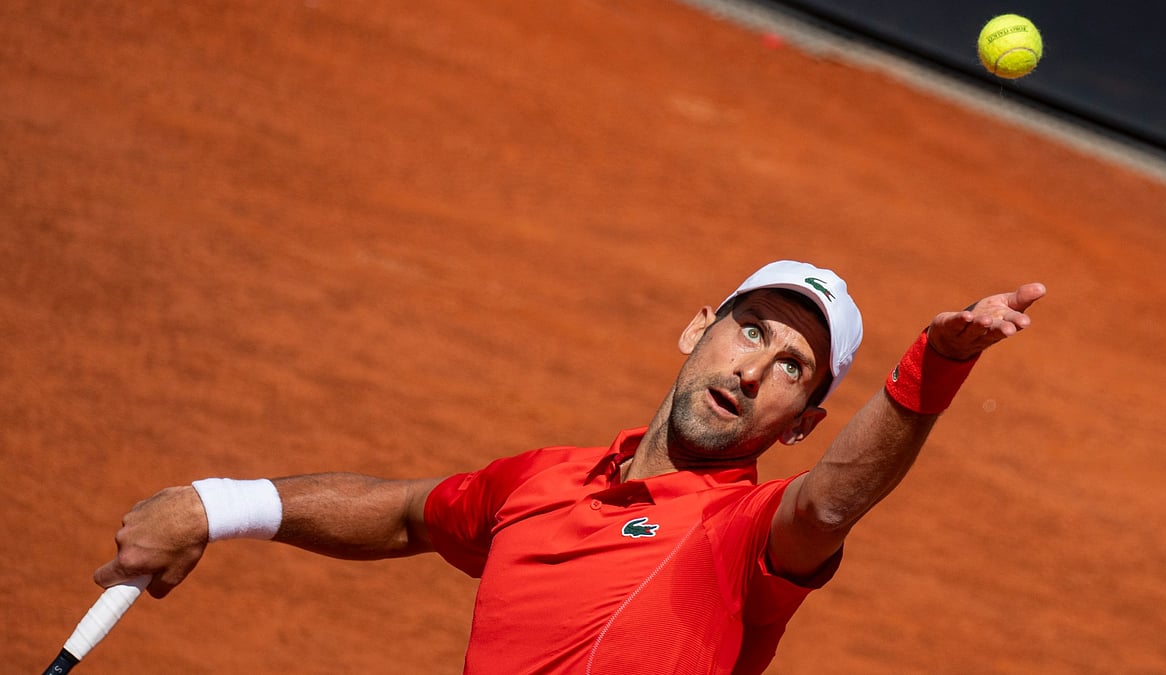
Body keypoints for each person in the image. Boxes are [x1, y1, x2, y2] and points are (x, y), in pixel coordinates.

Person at [94, 260, 1046, 674]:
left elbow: (833, 506)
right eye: (748, 329)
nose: (753, 367)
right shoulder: (541, 481)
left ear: (802, 423)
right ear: (696, 330)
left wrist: (937, 360)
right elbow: (406, 515)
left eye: (791, 366)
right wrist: (212, 504)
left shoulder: (739, 539)